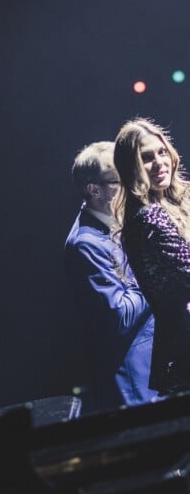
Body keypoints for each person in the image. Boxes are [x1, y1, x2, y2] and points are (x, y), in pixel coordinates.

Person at [64, 141, 160, 414]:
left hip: (158, 373)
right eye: (120, 180)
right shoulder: (85, 245)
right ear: (94, 190)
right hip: (137, 389)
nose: (133, 186)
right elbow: (120, 317)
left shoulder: (122, 221)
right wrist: (155, 271)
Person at [113, 117, 190, 397]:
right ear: (130, 169)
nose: (160, 162)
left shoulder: (176, 202)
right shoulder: (148, 219)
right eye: (147, 158)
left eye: (161, 152)